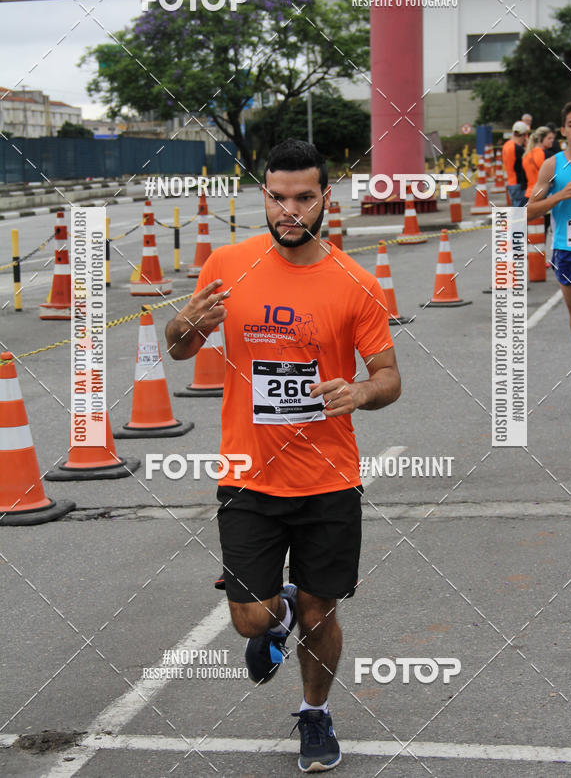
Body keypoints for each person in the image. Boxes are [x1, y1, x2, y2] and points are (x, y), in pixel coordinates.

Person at [165, 138, 401, 772]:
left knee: (323, 611)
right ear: (263, 196)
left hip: (329, 476)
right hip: (248, 476)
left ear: (326, 198)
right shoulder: (229, 263)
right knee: (250, 620)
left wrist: (358, 391)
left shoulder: (355, 282)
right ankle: (278, 611)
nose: (289, 210)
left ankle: (316, 714)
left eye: (304, 198)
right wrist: (183, 320)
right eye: (278, 197)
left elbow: (389, 378)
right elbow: (181, 347)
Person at [526, 101, 571, 401]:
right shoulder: (553, 166)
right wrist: (559, 196)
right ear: (563, 132)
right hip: (564, 247)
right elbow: (529, 211)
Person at [523, 126, 556, 200]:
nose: (552, 140)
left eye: (553, 138)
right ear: (541, 139)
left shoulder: (526, 155)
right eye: (549, 138)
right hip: (542, 195)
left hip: (528, 195)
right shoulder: (547, 155)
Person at [503, 121, 530, 206]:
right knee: (521, 213)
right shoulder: (518, 149)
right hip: (519, 183)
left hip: (511, 182)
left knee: (517, 211)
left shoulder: (507, 145)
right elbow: (527, 163)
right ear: (524, 135)